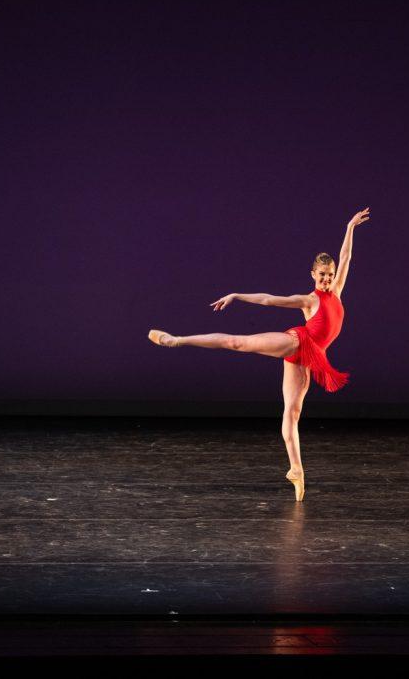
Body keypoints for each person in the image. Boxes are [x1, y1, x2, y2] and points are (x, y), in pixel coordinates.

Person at [148, 207, 370, 501]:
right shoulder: (308, 300)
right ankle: (176, 340)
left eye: (330, 276)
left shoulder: (337, 291)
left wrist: (350, 227)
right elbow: (268, 299)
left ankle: (296, 470)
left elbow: (346, 257)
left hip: (310, 358)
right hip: (296, 343)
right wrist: (237, 295)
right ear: (313, 275)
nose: (327, 280)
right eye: (322, 276)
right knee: (238, 343)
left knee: (292, 412)